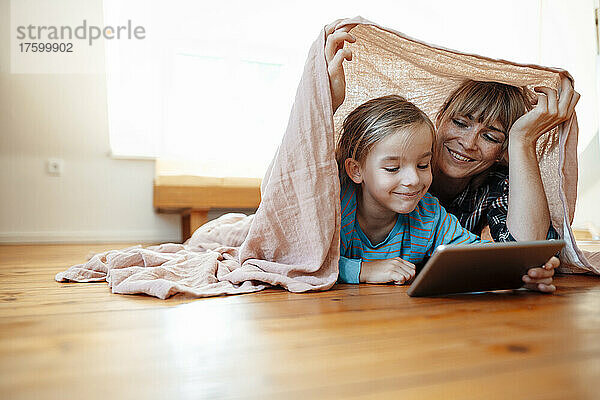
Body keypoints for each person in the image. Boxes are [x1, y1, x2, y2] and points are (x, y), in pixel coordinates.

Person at [325, 20, 576, 292]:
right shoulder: (338, 196)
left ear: (502, 151)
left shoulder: (431, 215)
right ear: (440, 116)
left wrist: (526, 271)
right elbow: (298, 252)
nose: (468, 143)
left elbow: (497, 256)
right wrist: (359, 269)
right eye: (460, 123)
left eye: (491, 137)